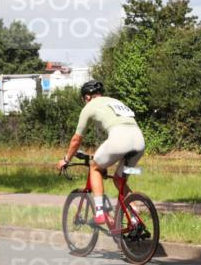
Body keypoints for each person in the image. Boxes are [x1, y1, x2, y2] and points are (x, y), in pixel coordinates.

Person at [56, 80, 145, 225]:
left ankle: (99, 212)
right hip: (139, 141)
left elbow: (76, 140)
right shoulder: (115, 102)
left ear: (87, 97)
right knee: (118, 179)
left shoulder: (89, 106)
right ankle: (135, 215)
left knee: (94, 167)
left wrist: (65, 160)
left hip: (120, 139)